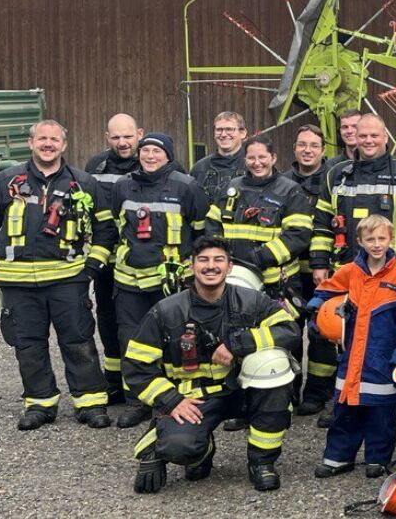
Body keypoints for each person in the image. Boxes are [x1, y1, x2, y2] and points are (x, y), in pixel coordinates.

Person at [126, 236, 298, 493]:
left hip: (244, 389)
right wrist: (172, 401)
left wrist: (238, 343)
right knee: (179, 448)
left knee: (274, 367)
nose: (211, 266)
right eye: (203, 260)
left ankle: (262, 463)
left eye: (219, 260)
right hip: (194, 398)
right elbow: (137, 366)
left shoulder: (251, 301)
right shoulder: (166, 311)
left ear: (229, 267)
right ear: (191, 266)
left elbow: (290, 330)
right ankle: (196, 450)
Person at [0, 120, 117, 430]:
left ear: (64, 145)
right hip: (17, 283)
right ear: (31, 143)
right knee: (28, 345)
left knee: (78, 341)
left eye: (54, 139)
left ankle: (90, 402)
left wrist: (92, 267)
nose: (48, 144)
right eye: (42, 139)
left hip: (67, 280)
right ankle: (40, 404)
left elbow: (105, 229)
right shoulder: (5, 181)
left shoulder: (84, 182)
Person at [109, 132, 209, 429]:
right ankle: (136, 401)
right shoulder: (123, 186)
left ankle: (173, 401)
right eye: (146, 151)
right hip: (128, 282)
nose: (150, 156)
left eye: (156, 151)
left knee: (176, 342)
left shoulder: (186, 186)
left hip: (170, 282)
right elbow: (117, 226)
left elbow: (201, 232)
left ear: (168, 155)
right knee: (131, 342)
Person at [312, 215, 396, 478]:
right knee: (345, 409)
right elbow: (324, 292)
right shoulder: (350, 271)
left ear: (390, 239)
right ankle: (338, 457)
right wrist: (316, 316)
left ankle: (378, 458)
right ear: (360, 241)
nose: (377, 244)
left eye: (382, 238)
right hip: (351, 356)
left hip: (382, 357)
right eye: (370, 239)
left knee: (380, 413)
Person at [311, 112, 396, 278]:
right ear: (356, 138)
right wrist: (319, 264)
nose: (368, 141)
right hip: (345, 273)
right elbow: (322, 225)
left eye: (374, 135)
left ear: (385, 137)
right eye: (363, 136)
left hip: (393, 275)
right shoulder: (336, 175)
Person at [205, 137, 312, 302]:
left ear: (273, 158)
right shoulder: (232, 188)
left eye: (262, 157)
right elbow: (213, 224)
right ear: (245, 160)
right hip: (234, 278)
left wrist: (258, 258)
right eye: (251, 158)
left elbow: (298, 235)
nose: (257, 163)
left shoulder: (290, 190)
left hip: (276, 284)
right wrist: (221, 254)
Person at [86, 113, 146, 405]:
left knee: (142, 322)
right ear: (107, 137)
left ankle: (146, 382)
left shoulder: (153, 160)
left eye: (128, 136)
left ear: (139, 134)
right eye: (116, 137)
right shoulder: (94, 167)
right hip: (108, 262)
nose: (122, 143)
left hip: (142, 264)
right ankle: (114, 383)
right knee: (108, 321)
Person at [284, 125, 338, 419]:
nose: (307, 150)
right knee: (290, 332)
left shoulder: (333, 180)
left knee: (321, 333)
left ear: (322, 150)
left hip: (322, 271)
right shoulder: (281, 182)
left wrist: (323, 263)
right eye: (302, 144)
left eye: (314, 145)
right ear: (294, 148)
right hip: (288, 272)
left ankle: (317, 393)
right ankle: (289, 391)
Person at [190, 111, 249, 202]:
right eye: (219, 130)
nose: (223, 134)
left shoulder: (253, 166)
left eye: (229, 129)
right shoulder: (200, 168)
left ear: (243, 133)